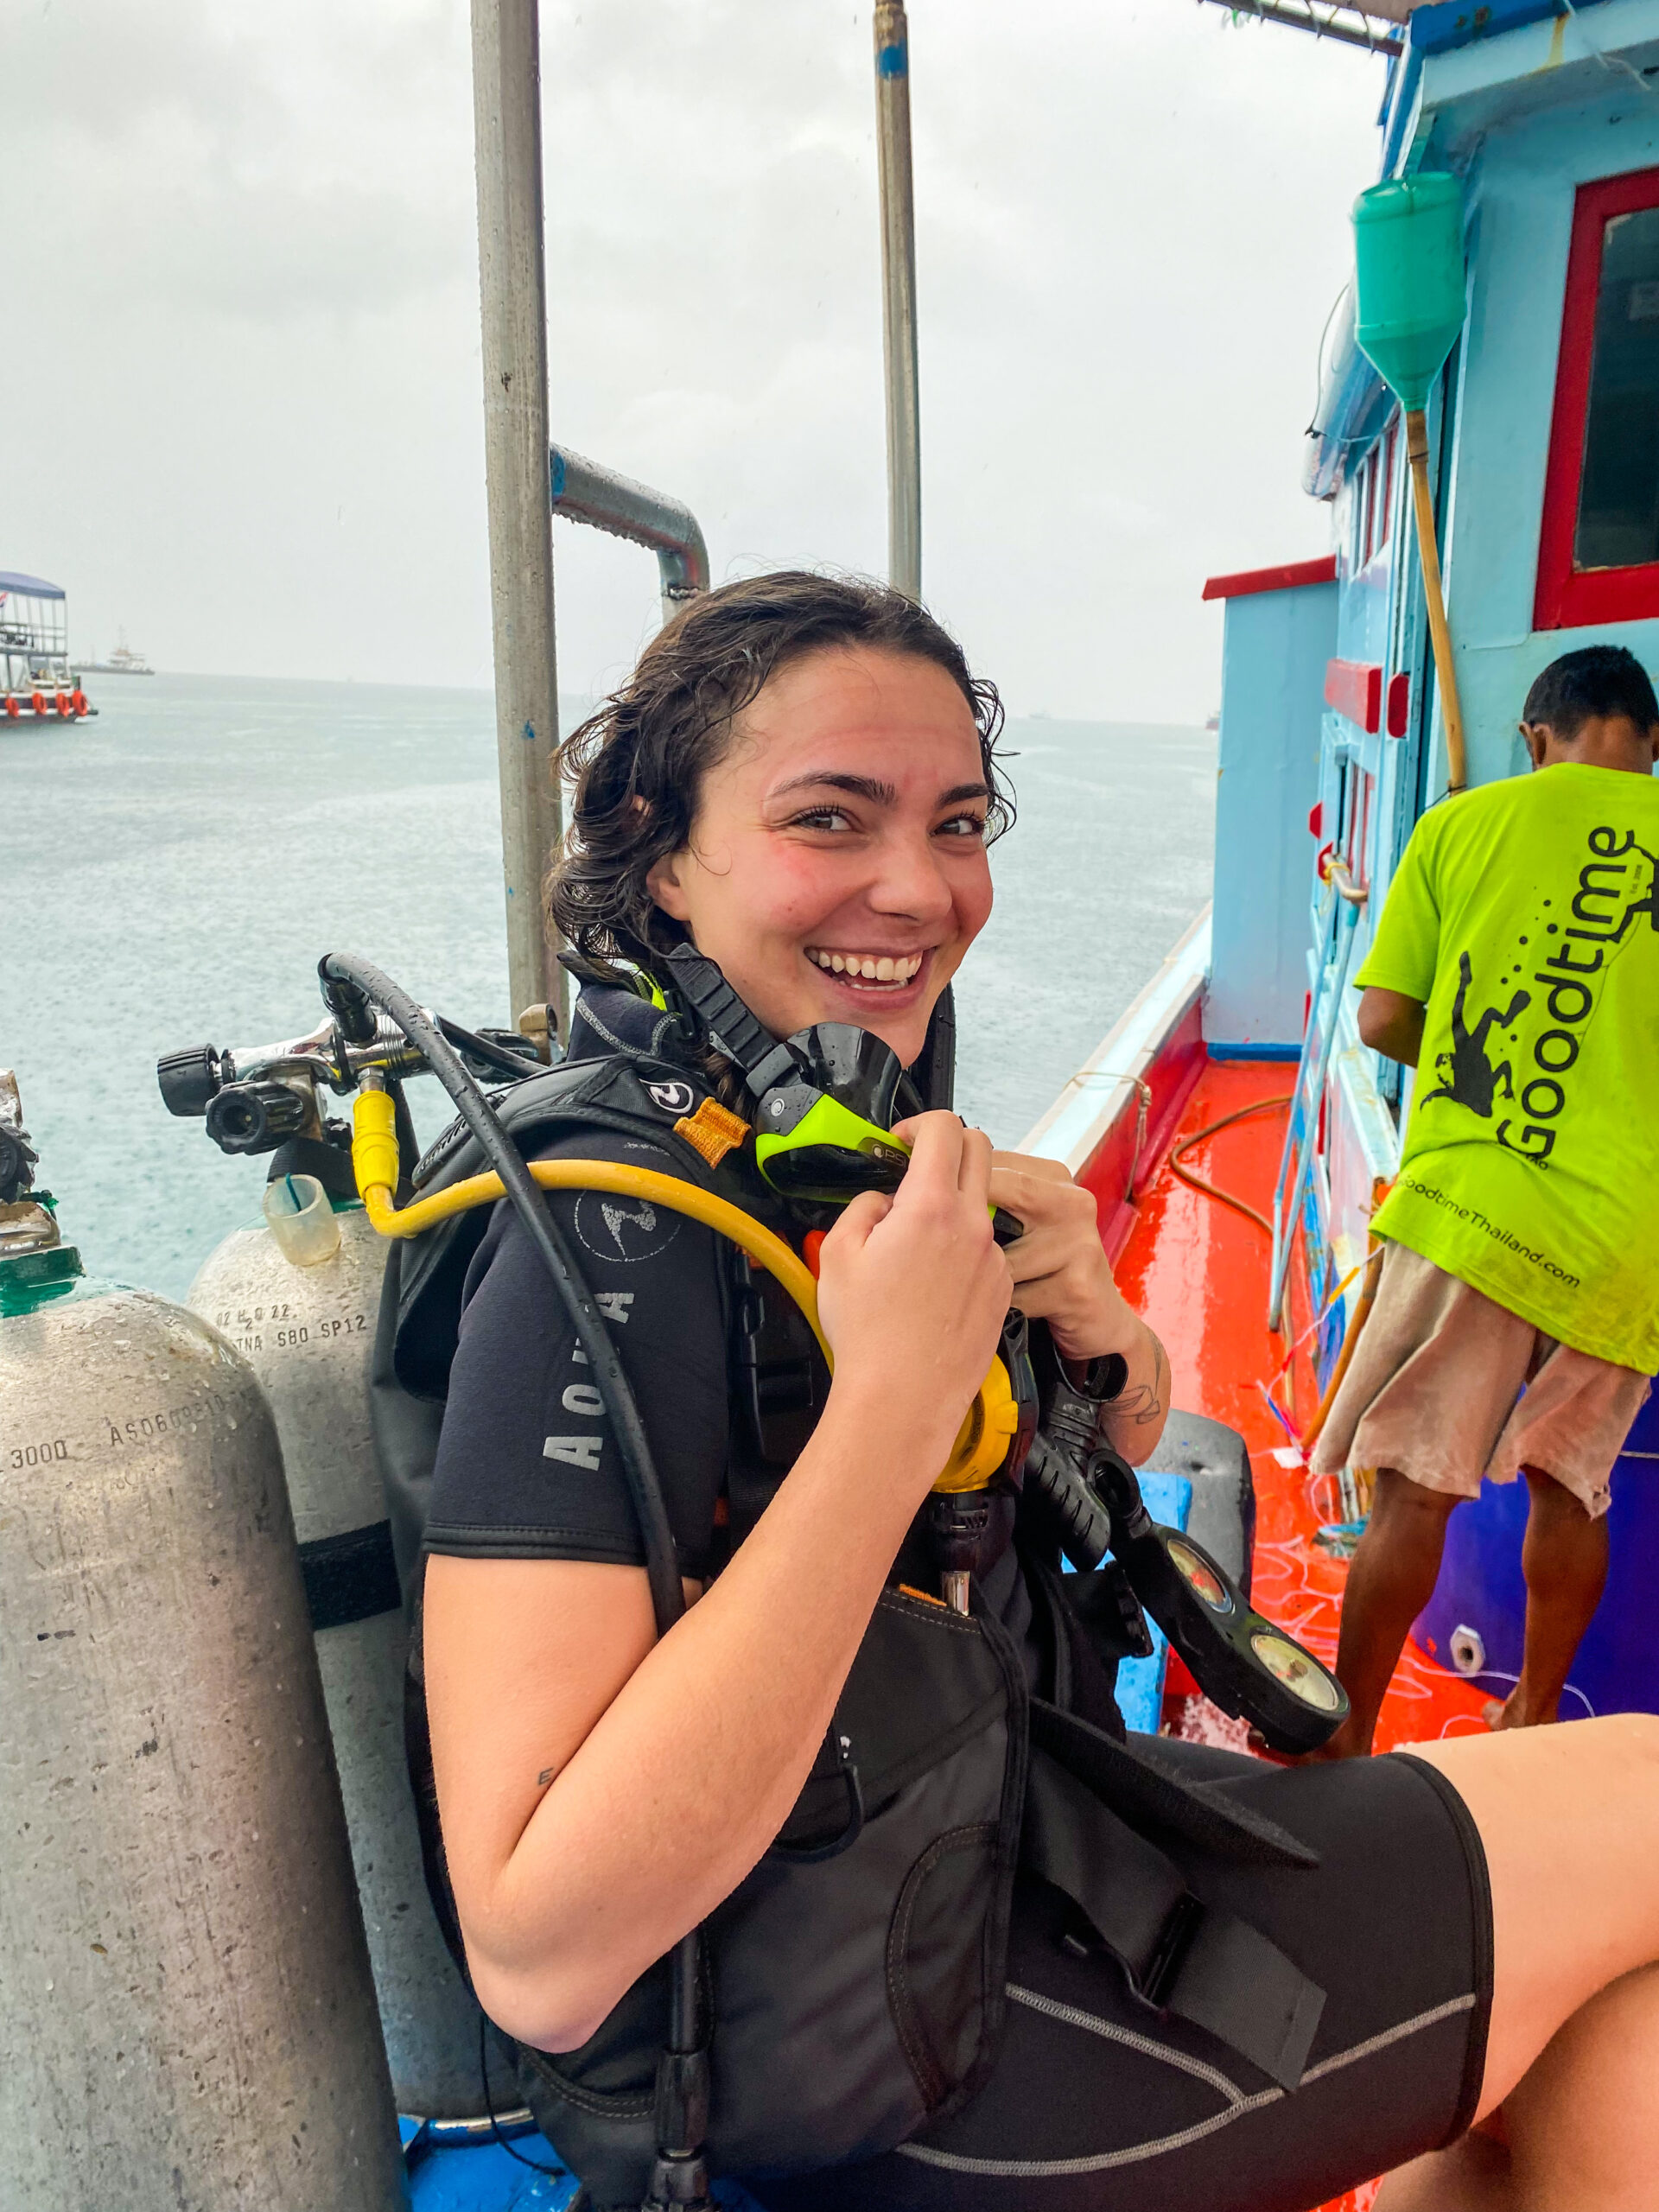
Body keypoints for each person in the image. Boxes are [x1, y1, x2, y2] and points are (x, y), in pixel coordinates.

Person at [414, 579, 1659, 2212]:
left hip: (991, 1853)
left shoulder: (811, 1146)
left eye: (957, 820)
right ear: (661, 857)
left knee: (1620, 2032)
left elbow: (1076, 1463)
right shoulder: (603, 1239)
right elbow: (540, 1952)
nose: (918, 888)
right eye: (828, 818)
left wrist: (1098, 1334)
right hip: (866, 2054)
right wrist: (892, 1406)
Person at [1311, 643, 1659, 1762]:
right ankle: (1530, 1718)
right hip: (1630, 1232)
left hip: (1477, 1209)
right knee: (1574, 1490)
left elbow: (1379, 1020)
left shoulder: (1463, 824)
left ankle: (1346, 1736)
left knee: (1417, 1489)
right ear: (1649, 747)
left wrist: (1483, 1082)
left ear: (1534, 733)